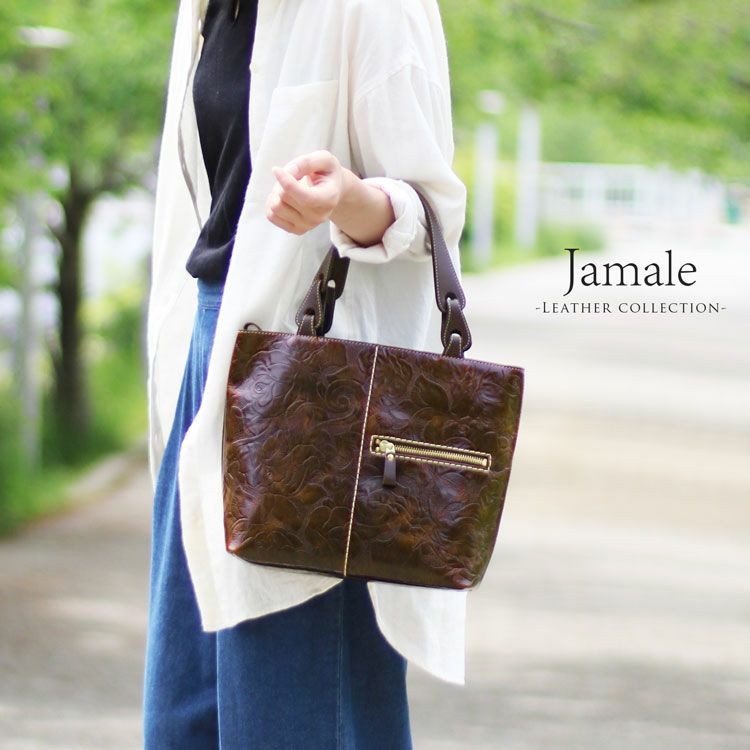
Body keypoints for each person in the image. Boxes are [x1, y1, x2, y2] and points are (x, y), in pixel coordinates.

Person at [143, 0, 469, 747]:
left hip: (313, 390)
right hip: (207, 354)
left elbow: (433, 214)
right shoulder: (206, 10)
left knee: (296, 706)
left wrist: (347, 200)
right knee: (187, 710)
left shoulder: (376, 10)